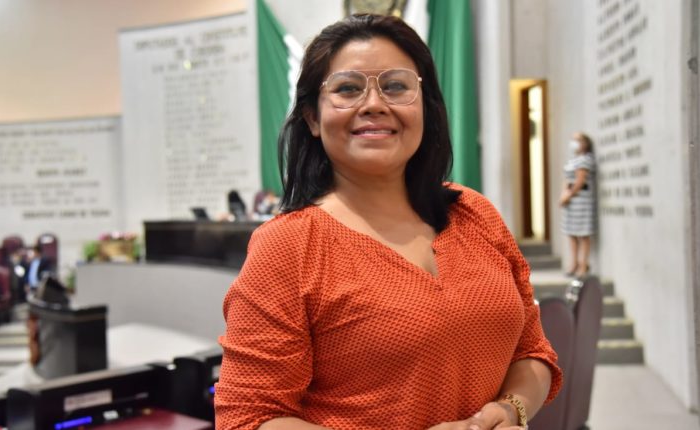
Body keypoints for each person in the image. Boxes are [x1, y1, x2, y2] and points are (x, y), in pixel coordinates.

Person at [215, 14, 561, 430]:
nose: (374, 104)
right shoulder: (288, 247)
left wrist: (509, 409)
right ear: (312, 118)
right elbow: (250, 417)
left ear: (425, 107)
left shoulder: (474, 213)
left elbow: (533, 351)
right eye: (347, 89)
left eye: (396, 86)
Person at [559, 132, 596, 277]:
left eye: (577, 140)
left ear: (585, 143)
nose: (573, 143)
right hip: (570, 203)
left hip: (581, 202)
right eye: (573, 140)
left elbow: (580, 182)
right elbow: (567, 179)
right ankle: (573, 263)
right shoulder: (573, 160)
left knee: (583, 234)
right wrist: (563, 195)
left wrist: (568, 195)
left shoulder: (585, 160)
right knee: (572, 233)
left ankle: (583, 265)